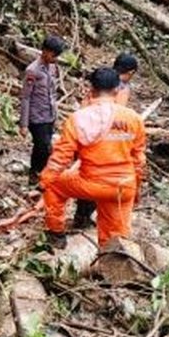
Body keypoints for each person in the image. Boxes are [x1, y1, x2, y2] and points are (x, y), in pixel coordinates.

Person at [40, 67, 147, 248]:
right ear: (117, 90)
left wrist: (44, 181)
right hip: (124, 186)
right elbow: (139, 160)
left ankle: (56, 234)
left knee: (54, 186)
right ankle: (112, 264)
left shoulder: (78, 118)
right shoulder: (134, 119)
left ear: (91, 89)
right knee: (116, 236)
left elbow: (61, 158)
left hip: (92, 184)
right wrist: (136, 189)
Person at [75, 51, 141, 227]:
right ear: (130, 72)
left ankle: (82, 215)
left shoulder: (100, 82)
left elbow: (83, 108)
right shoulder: (121, 88)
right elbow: (115, 117)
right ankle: (84, 216)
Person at [20, 36, 66, 187]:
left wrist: (56, 115)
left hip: (49, 114)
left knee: (46, 148)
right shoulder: (32, 71)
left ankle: (42, 175)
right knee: (43, 146)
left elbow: (52, 93)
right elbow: (25, 97)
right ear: (45, 52)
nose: (55, 59)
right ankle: (34, 173)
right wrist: (24, 124)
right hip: (36, 117)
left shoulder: (52, 67)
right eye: (54, 55)